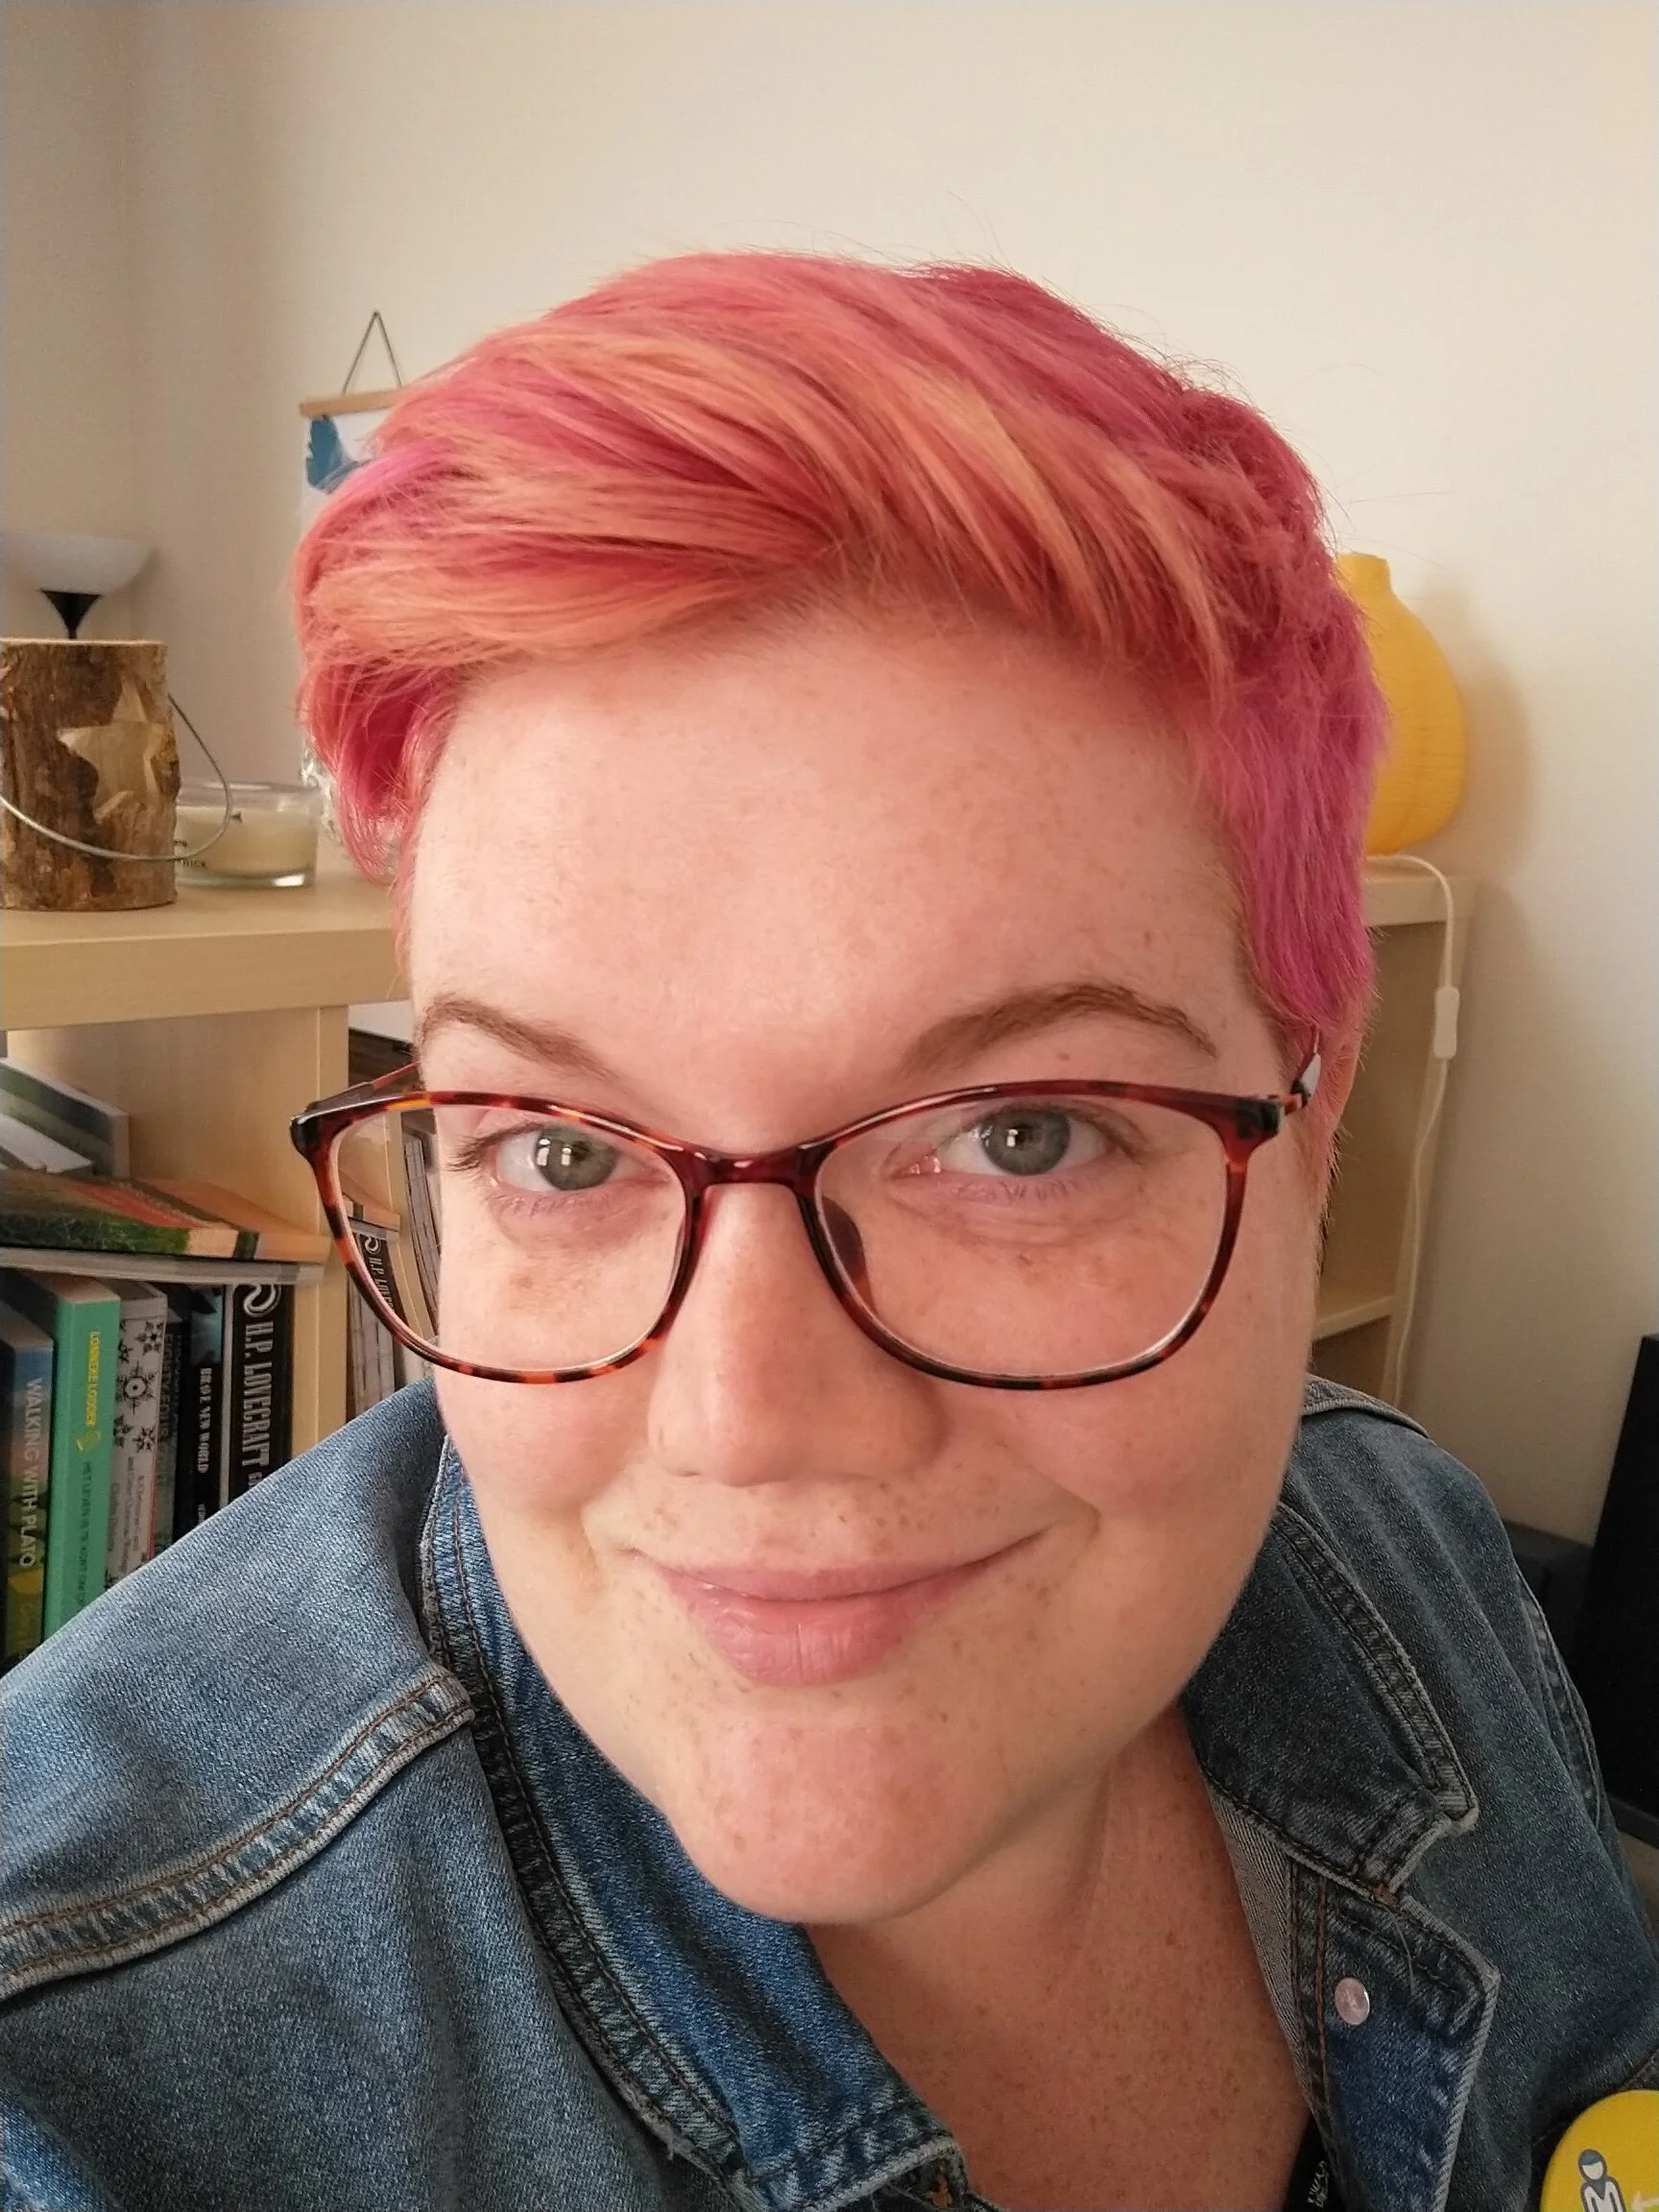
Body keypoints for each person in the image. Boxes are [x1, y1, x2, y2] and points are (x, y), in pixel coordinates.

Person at [1, 252, 1655, 2212]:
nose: (749, 1417)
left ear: (1313, 1128)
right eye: (558, 1148)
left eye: (1018, 1135)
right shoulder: (79, 2081)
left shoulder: (1399, 1546)